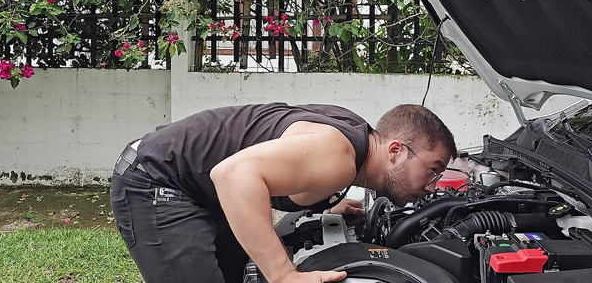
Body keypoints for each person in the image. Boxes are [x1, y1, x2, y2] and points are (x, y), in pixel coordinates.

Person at [110, 102, 456, 283]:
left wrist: (328, 202)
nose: (434, 184)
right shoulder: (338, 156)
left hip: (194, 183)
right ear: (395, 150)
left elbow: (280, 152)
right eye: (433, 169)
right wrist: (284, 275)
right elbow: (233, 175)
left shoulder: (356, 139)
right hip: (157, 179)